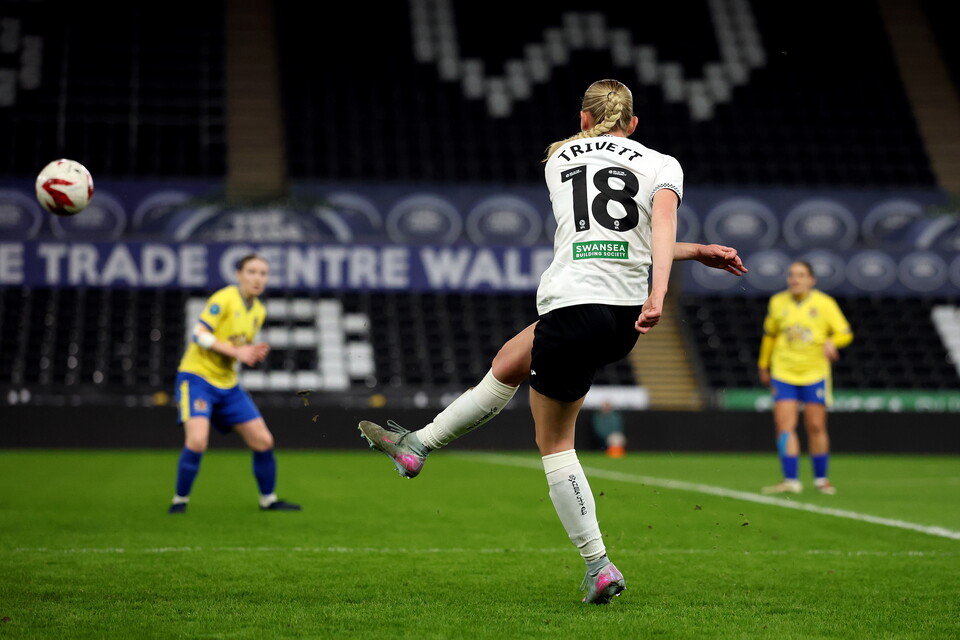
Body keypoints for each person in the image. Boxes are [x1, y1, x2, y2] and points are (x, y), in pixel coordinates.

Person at [359, 79, 747, 604]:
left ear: (583, 118)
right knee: (509, 361)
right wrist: (676, 274)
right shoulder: (662, 162)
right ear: (634, 123)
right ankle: (418, 445)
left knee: (554, 444)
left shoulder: (558, 159)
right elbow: (651, 229)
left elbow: (599, 227)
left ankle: (599, 565)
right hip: (622, 317)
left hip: (572, 305)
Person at [168, 254, 301, 514]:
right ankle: (179, 501)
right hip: (198, 378)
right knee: (197, 442)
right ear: (239, 274)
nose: (258, 278)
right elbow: (199, 334)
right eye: (252, 271)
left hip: (228, 384)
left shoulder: (258, 311)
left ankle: (268, 500)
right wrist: (238, 352)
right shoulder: (224, 298)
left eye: (263, 273)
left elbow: (236, 345)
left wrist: (249, 351)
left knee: (263, 441)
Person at [757, 260, 853, 496]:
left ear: (811, 280)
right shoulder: (778, 302)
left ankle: (821, 479)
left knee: (816, 425)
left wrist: (833, 341)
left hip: (814, 373)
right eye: (791, 275)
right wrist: (763, 364)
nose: (795, 279)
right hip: (784, 372)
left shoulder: (824, 303)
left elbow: (845, 332)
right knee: (785, 426)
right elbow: (770, 335)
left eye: (800, 275)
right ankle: (791, 479)